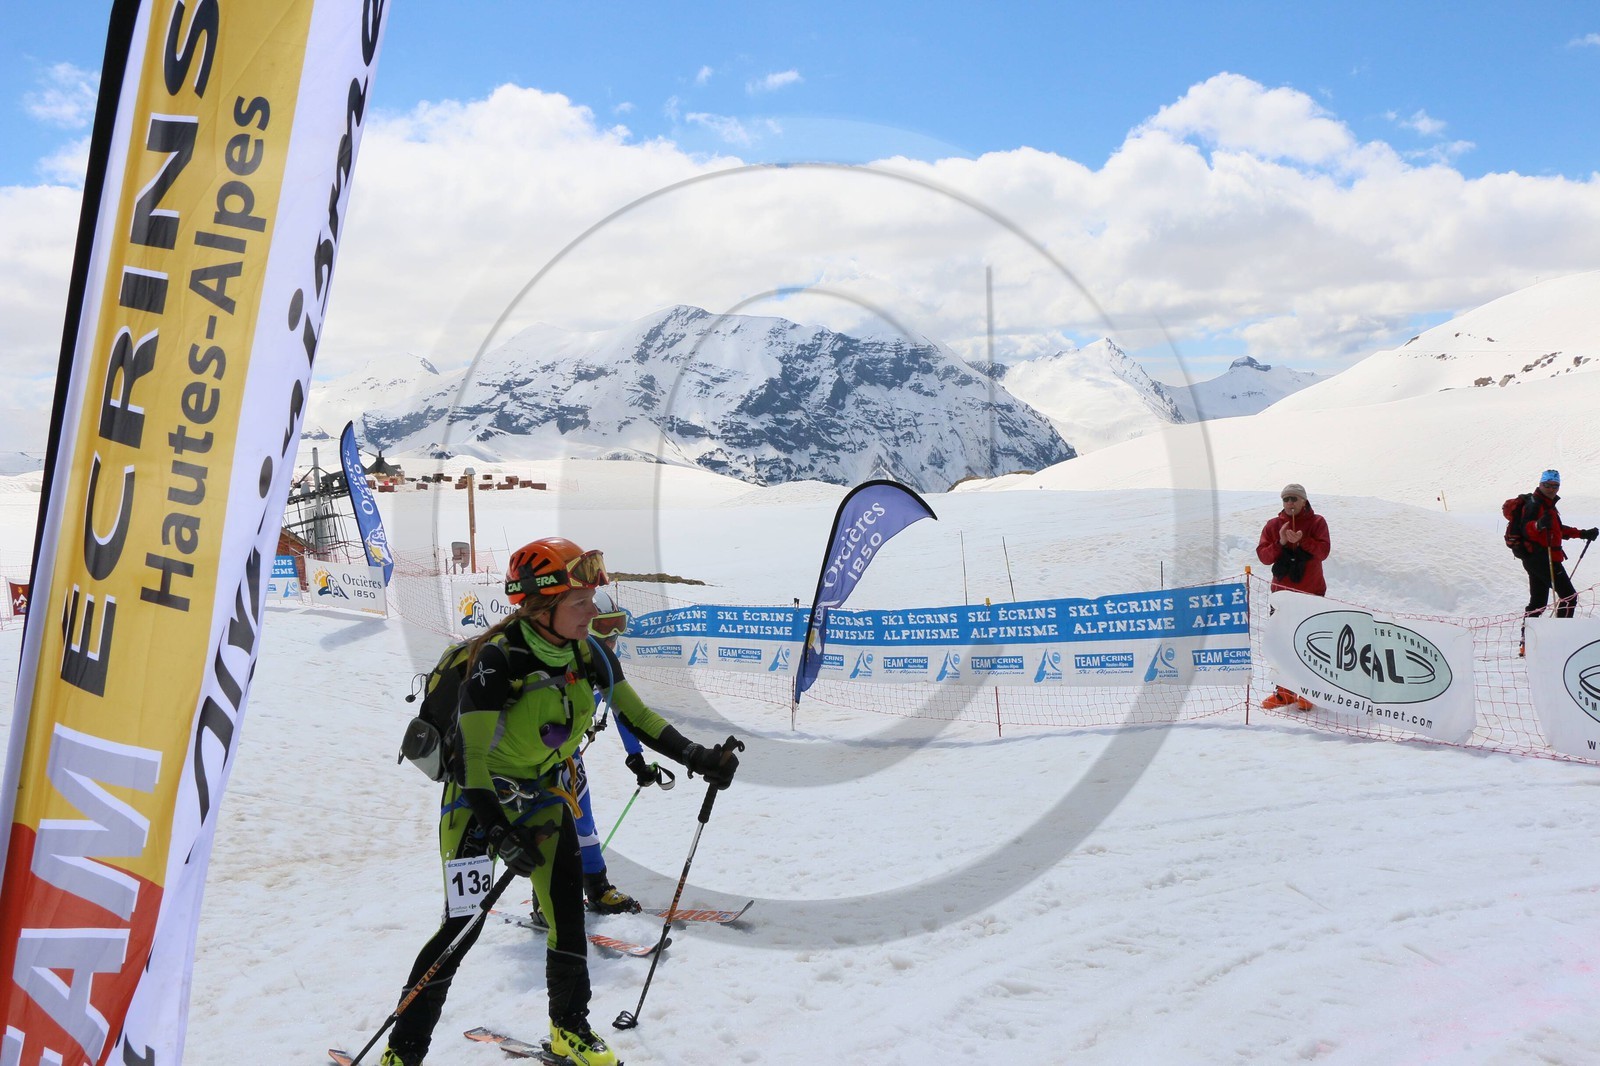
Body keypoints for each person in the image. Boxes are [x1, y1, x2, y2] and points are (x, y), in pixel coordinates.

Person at [381, 537, 740, 1066]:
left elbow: (636, 716)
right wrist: (500, 832)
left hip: (545, 799)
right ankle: (403, 1052)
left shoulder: (588, 650)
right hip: (478, 806)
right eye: (581, 603)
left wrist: (698, 756)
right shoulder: (496, 662)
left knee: (567, 914)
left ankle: (569, 1029)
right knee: (462, 925)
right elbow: (473, 761)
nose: (593, 612)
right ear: (541, 608)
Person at [1255, 483, 1332, 711]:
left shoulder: (1318, 523)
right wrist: (1281, 542)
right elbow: (1264, 557)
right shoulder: (1273, 525)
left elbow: (1323, 552)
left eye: (1294, 499)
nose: (1290, 503)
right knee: (1282, 646)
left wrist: (1302, 540)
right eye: (1286, 499)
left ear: (1304, 501)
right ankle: (1285, 693)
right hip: (1281, 598)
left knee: (1312, 645)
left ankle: (1309, 693)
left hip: (1312, 596)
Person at [1515, 469, 1598, 649]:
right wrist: (1538, 525)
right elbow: (1526, 528)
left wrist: (1582, 533)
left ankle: (1526, 643)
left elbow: (1557, 530)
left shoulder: (1547, 504)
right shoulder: (1535, 505)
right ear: (1540, 484)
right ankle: (1560, 640)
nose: (1552, 489)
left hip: (1537, 558)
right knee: (1569, 598)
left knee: (1538, 603)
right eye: (1548, 485)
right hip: (1543, 558)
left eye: (1555, 486)